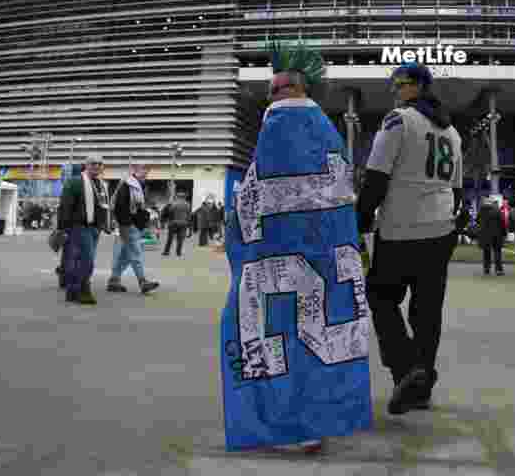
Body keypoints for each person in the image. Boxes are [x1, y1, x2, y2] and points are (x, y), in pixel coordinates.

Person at [220, 41, 371, 453]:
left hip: (275, 270)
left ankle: (283, 423)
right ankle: (319, 421)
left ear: (283, 89)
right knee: (315, 346)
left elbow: (247, 214)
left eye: (274, 88)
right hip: (324, 264)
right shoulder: (328, 133)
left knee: (269, 334)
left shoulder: (277, 128)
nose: (272, 95)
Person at [358, 61, 466, 416]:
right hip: (441, 230)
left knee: (380, 295)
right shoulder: (452, 132)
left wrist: (358, 222)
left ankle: (406, 370)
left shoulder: (398, 121)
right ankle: (422, 386)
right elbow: (458, 190)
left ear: (416, 86)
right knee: (427, 310)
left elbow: (376, 178)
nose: (395, 91)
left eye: (398, 84)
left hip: (401, 229)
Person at [57, 153, 110, 305]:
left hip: (95, 228)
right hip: (79, 226)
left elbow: (104, 206)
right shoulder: (75, 182)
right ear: (86, 165)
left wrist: (107, 223)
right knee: (87, 260)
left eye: (100, 164)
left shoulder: (101, 184)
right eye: (93, 163)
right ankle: (83, 290)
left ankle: (72, 290)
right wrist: (63, 228)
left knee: (81, 260)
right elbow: (65, 206)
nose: (97, 166)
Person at [107, 163, 160, 294]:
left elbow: (135, 207)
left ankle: (114, 280)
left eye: (147, 170)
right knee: (135, 252)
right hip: (129, 225)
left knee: (125, 254)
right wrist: (127, 223)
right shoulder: (128, 185)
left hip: (131, 224)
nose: (146, 173)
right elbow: (120, 206)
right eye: (143, 169)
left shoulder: (136, 185)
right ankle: (143, 282)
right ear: (135, 170)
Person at [476, 195, 506, 276]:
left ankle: (486, 268)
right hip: (497, 234)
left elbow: (477, 220)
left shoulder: (481, 210)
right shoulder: (497, 210)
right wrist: (504, 233)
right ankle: (498, 270)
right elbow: (502, 222)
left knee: (486, 252)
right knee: (497, 252)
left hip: (485, 234)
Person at [161, 191, 192, 257]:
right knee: (180, 239)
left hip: (173, 222)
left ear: (178, 197)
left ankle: (166, 251)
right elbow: (189, 216)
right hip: (183, 223)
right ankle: (178, 252)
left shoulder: (174, 204)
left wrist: (167, 220)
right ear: (184, 197)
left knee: (170, 238)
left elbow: (170, 212)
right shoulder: (187, 205)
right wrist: (189, 226)